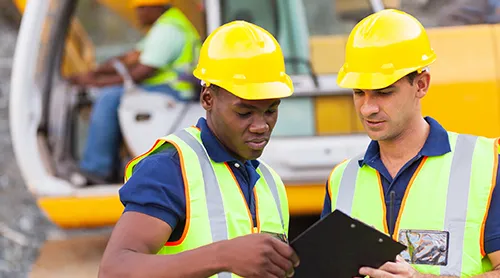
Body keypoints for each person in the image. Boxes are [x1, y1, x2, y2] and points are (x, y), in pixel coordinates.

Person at [98, 21, 300, 278]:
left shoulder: (270, 183)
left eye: (271, 110)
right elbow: (114, 270)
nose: (261, 126)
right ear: (208, 99)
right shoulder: (170, 167)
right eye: (244, 112)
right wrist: (223, 256)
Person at [321, 9, 500, 277]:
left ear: (421, 85)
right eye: (359, 92)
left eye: (384, 93)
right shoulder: (342, 179)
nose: (367, 108)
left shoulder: (486, 165)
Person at [69, 0, 201, 184]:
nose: (138, 15)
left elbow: (142, 71)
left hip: (173, 91)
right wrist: (95, 74)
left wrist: (99, 83)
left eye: (141, 9)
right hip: (169, 89)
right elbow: (132, 57)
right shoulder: (167, 25)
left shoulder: (168, 30)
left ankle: (96, 168)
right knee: (111, 94)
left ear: (155, 7)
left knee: (109, 98)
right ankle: (110, 166)